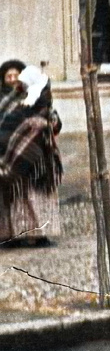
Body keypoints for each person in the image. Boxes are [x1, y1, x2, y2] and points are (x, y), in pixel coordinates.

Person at [0, 60, 62, 247]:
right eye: (8, 76)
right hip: (8, 156)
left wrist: (46, 124)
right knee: (12, 198)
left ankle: (39, 234)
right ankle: (11, 236)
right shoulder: (4, 102)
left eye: (15, 76)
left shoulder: (38, 96)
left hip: (35, 158)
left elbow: (53, 119)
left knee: (35, 196)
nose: (12, 80)